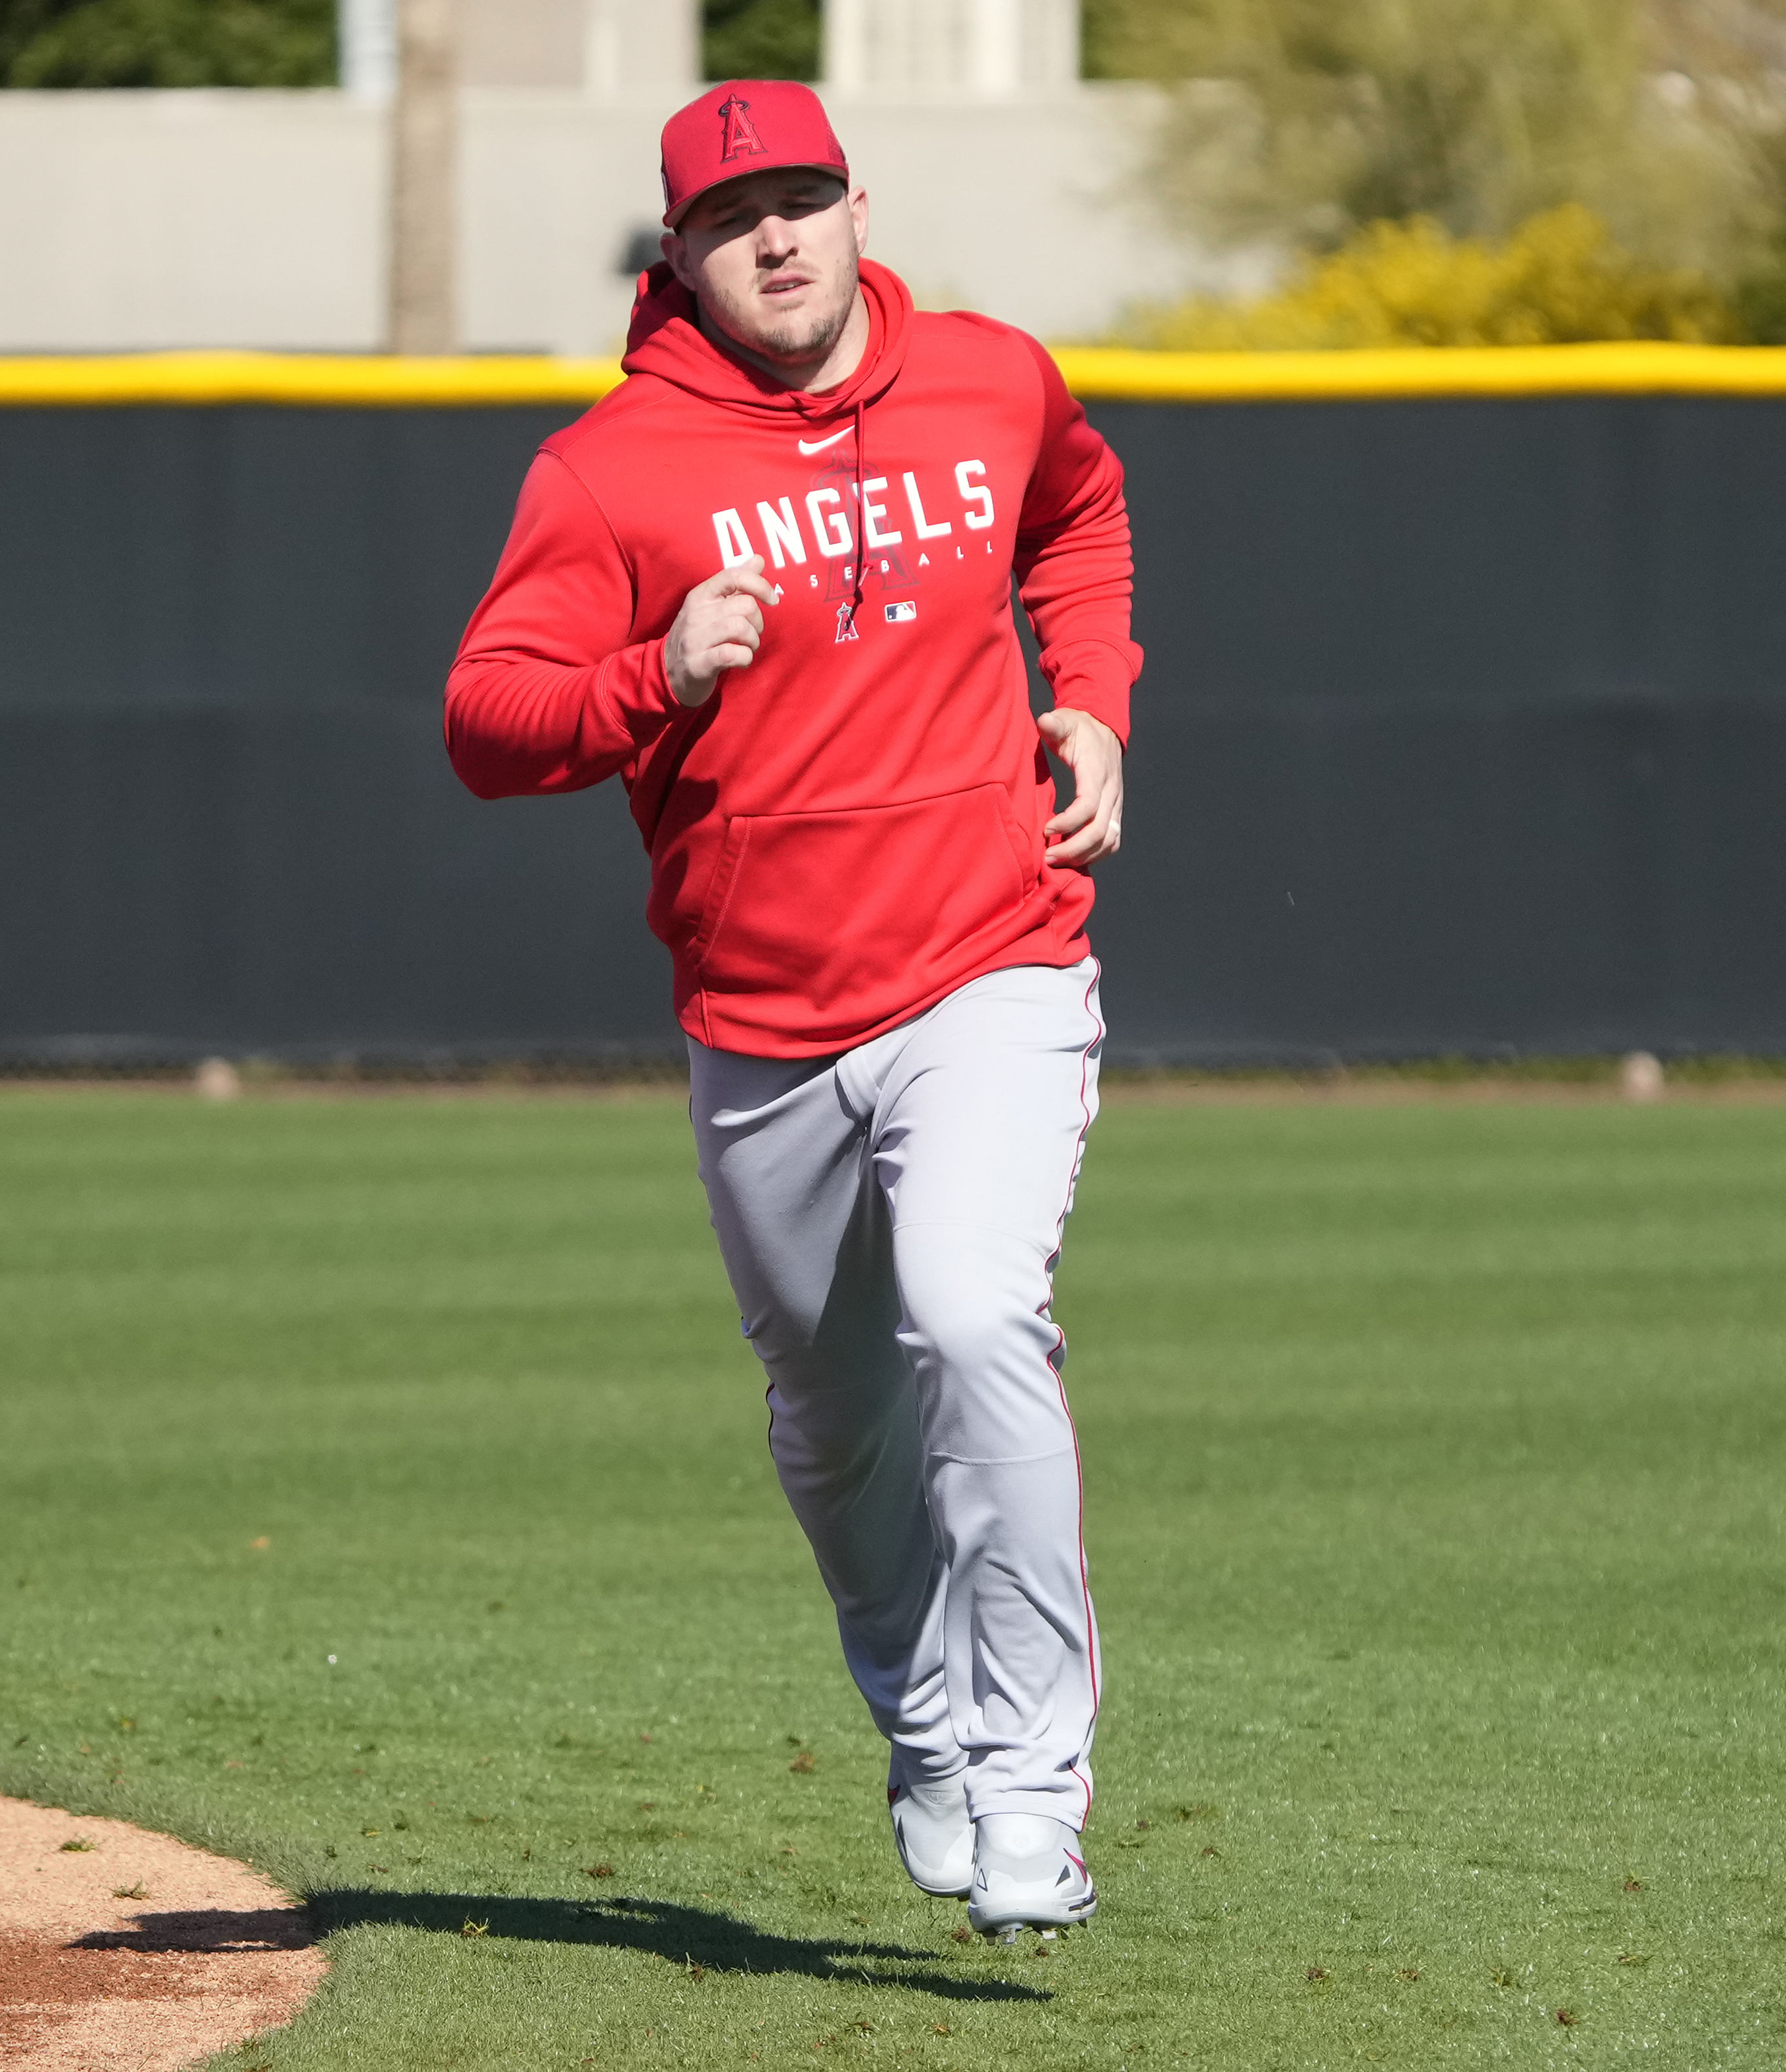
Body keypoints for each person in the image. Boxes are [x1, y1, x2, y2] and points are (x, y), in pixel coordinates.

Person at [443, 78, 1139, 1942]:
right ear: (678, 253)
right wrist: (646, 675)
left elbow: (1079, 509)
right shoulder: (608, 471)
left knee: (978, 1312)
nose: (779, 235)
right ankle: (923, 1720)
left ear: (852, 202)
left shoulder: (991, 377)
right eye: (735, 213)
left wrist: (1095, 701)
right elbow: (484, 720)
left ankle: (1037, 1775)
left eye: (805, 197)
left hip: (994, 957)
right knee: (833, 1426)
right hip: (763, 1020)